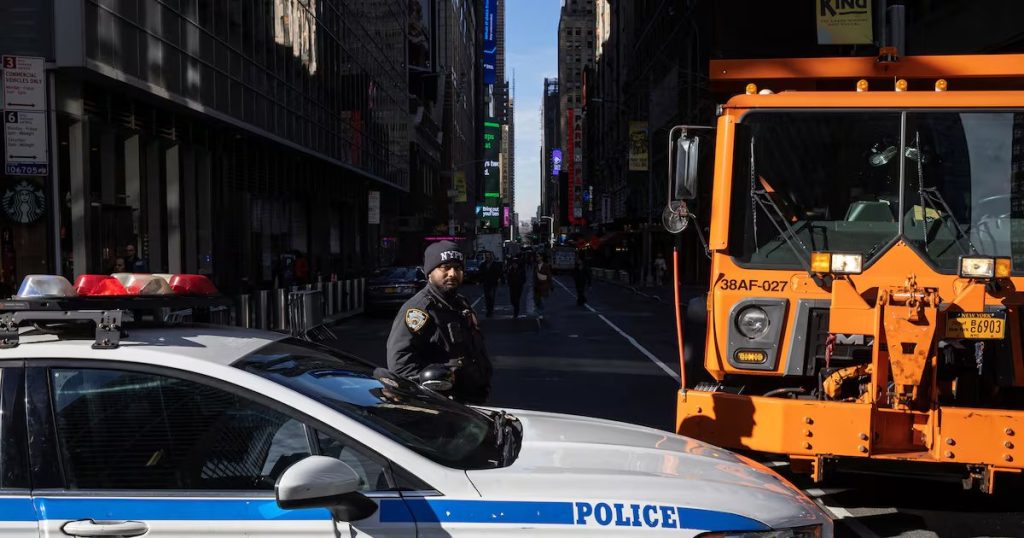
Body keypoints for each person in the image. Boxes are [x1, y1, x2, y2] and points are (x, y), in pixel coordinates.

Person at [386, 241, 492, 404]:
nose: (452, 273)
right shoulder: (418, 311)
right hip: (445, 406)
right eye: (445, 267)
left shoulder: (460, 303)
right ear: (429, 273)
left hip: (471, 400)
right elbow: (400, 365)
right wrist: (434, 388)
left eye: (457, 268)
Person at [479, 251, 501, 317]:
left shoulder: (495, 264)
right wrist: (480, 281)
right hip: (486, 283)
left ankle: (490, 310)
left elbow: (498, 272)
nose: (487, 257)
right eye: (486, 256)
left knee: (491, 297)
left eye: (488, 255)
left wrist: (498, 279)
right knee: (487, 297)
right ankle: (488, 310)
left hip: (493, 283)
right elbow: (481, 273)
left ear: (491, 257)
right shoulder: (483, 264)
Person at [533, 253, 553, 319]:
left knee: (542, 301)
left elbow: (548, 276)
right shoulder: (535, 266)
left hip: (544, 286)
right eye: (536, 256)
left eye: (538, 256)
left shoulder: (546, 266)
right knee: (537, 301)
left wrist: (551, 285)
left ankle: (540, 313)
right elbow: (534, 276)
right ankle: (539, 312)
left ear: (541, 257)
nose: (537, 258)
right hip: (537, 286)